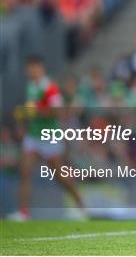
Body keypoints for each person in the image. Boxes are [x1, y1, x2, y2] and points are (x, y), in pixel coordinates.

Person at [8, 55, 85, 221]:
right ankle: (23, 213)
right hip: (34, 136)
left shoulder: (50, 88)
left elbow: (56, 112)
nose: (30, 71)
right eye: (28, 68)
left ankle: (80, 204)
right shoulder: (31, 86)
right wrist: (23, 124)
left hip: (49, 136)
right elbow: (30, 110)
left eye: (33, 67)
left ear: (40, 68)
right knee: (25, 171)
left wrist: (35, 111)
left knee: (59, 175)